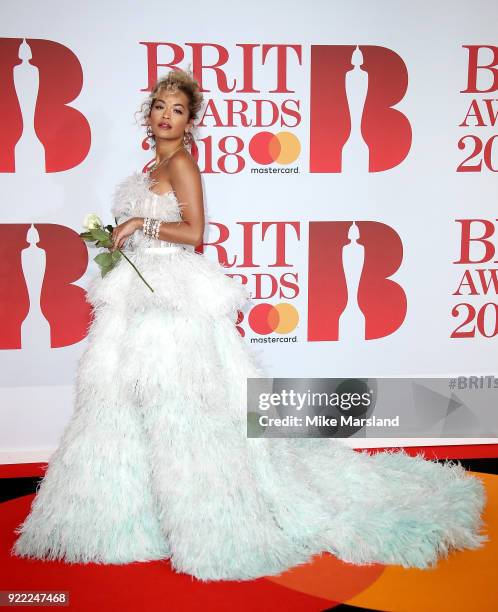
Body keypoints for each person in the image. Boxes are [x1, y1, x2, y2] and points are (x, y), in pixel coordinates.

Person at [11, 68, 488, 582]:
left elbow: (195, 233)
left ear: (191, 121)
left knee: (183, 416)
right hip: (136, 298)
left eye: (177, 109)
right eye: (159, 106)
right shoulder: (153, 164)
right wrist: (120, 239)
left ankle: (207, 519)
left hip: (172, 304)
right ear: (147, 115)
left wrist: (139, 224)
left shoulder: (183, 165)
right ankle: (131, 522)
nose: (167, 116)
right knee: (120, 409)